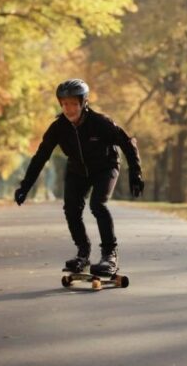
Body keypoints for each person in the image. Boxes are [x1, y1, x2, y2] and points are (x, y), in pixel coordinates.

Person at [14, 79, 144, 276]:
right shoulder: (58, 128)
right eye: (64, 104)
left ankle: (110, 254)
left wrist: (135, 173)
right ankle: (83, 253)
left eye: (73, 103)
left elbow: (127, 143)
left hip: (105, 167)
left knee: (97, 205)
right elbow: (41, 156)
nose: (69, 109)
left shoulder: (101, 123)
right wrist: (25, 186)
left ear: (83, 103)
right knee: (71, 209)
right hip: (77, 170)